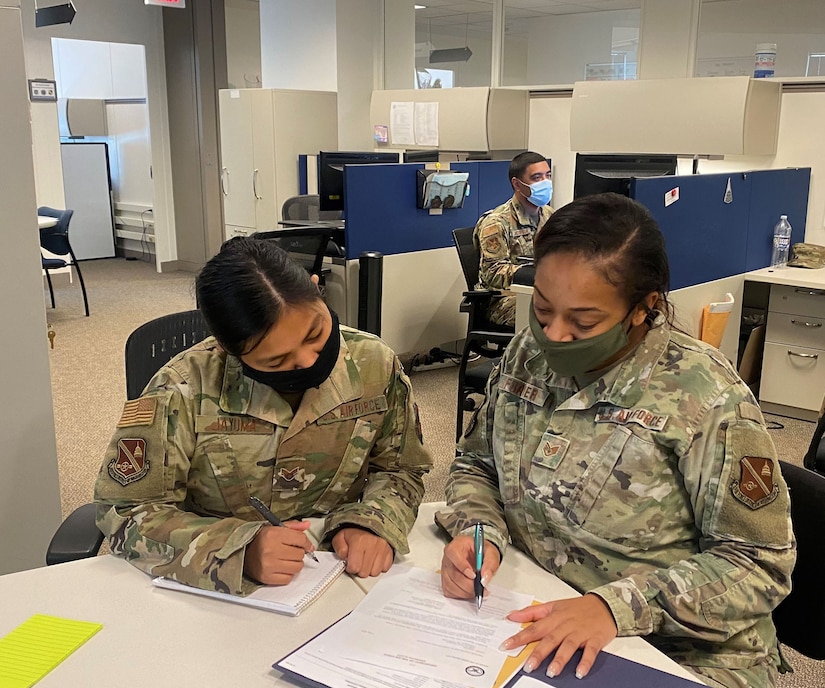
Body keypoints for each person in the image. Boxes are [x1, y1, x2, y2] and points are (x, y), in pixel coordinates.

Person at [437, 193, 795, 688]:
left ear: (643, 308)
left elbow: (759, 563)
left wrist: (615, 607)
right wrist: (478, 533)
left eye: (584, 322)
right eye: (542, 311)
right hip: (540, 610)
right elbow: (476, 464)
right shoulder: (527, 354)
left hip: (685, 652)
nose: (555, 336)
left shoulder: (705, 397)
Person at [95, 236, 432, 595]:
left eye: (315, 334)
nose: (307, 360)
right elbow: (125, 510)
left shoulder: (374, 364)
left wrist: (372, 522)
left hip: (339, 575)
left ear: (318, 290)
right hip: (219, 593)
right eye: (276, 360)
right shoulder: (181, 387)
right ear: (228, 349)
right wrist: (235, 550)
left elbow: (401, 468)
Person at [473, 150, 554, 327]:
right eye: (537, 177)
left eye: (548, 176)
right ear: (517, 184)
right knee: (552, 316)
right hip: (502, 300)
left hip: (540, 293)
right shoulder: (496, 222)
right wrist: (537, 275)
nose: (545, 182)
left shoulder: (551, 216)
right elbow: (492, 273)